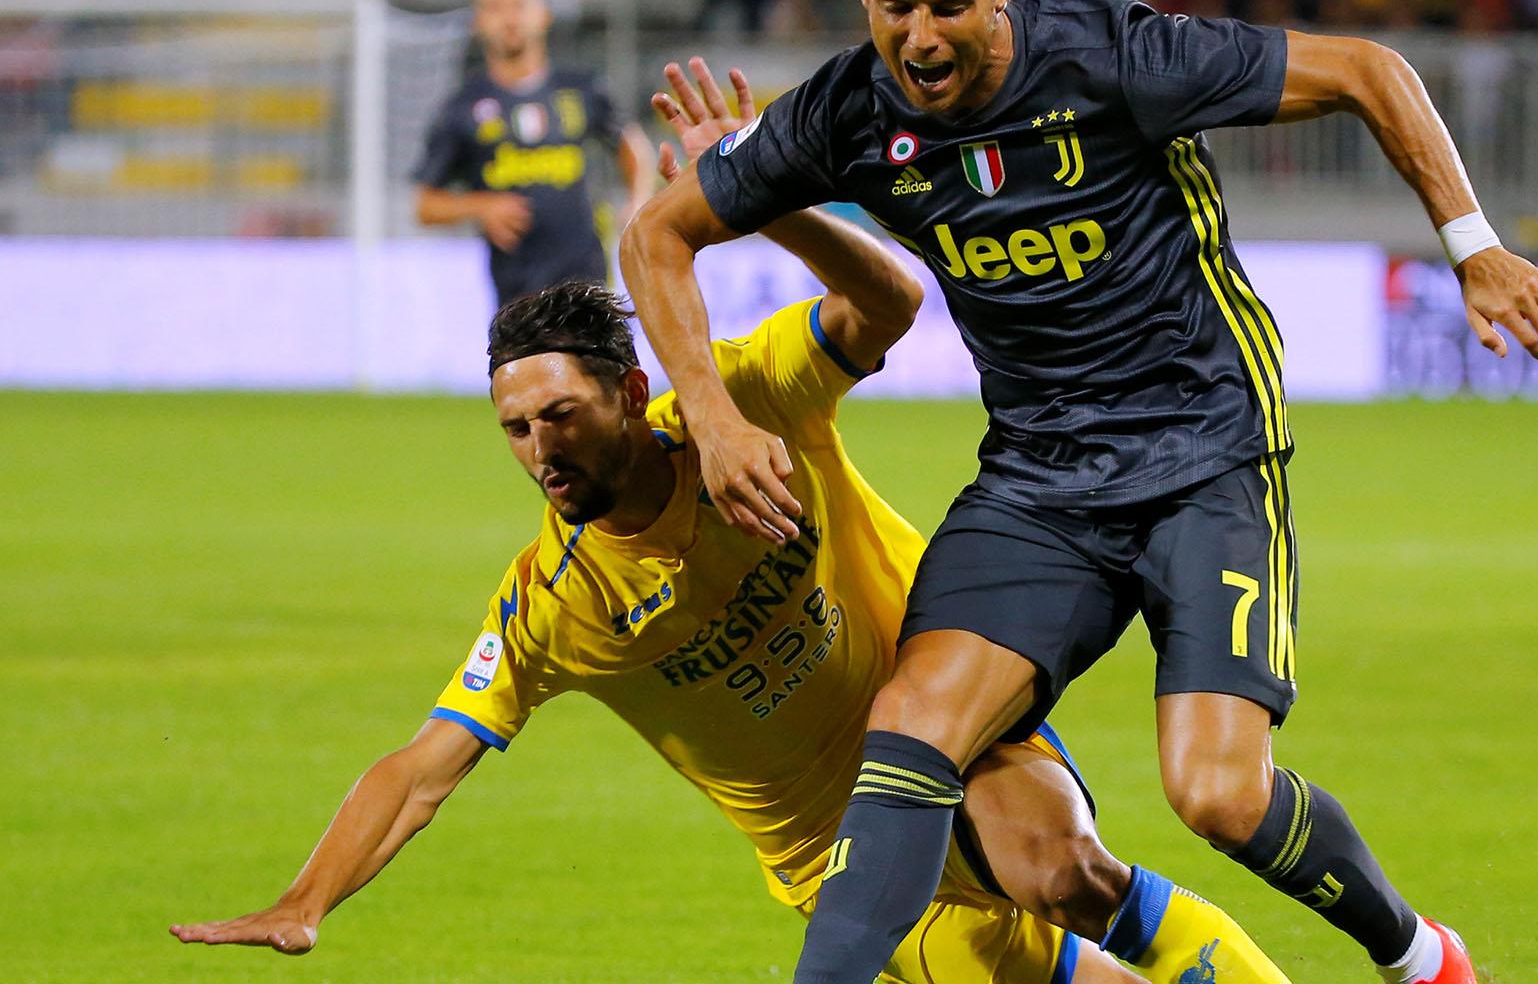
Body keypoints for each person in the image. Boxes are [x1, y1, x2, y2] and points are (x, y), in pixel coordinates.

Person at [169, 60, 1295, 984]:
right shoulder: (552, 603)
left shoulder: (744, 398)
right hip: (832, 858)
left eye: (559, 413)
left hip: (948, 713)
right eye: (514, 427)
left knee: (1063, 869)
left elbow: (893, 303)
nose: (539, 449)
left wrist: (769, 195)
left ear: (627, 390)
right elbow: (420, 768)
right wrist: (304, 899)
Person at [618, 0, 1538, 984]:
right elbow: (656, 232)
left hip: (1203, 451)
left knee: (1217, 793)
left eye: (949, 7)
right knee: (912, 726)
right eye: (896, 9)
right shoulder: (844, 110)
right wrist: (712, 412)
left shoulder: (1116, 56)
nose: (921, 38)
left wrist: (1475, 247)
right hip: (1039, 477)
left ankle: (1419, 956)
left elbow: (1369, 67)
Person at [413, 0, 651, 307]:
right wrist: (480, 207)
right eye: (495, 7)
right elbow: (425, 206)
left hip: (589, 283)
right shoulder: (461, 108)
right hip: (516, 296)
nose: (510, 18)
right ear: (477, 21)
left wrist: (637, 201)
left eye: (520, 4)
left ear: (544, 14)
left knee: (596, 360)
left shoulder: (582, 89)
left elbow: (632, 145)